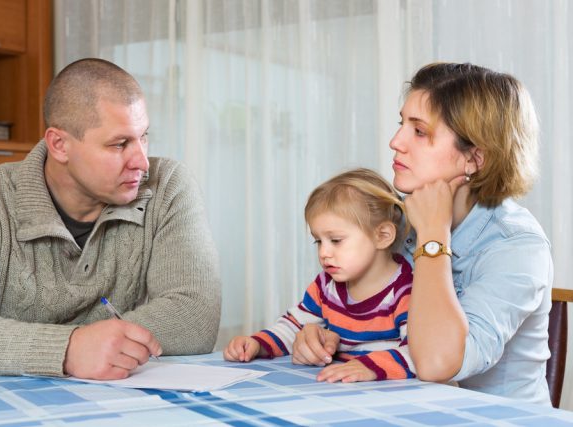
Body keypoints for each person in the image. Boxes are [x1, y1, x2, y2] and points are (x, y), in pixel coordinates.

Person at [0, 58, 222, 380]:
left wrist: (96, 348)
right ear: (59, 144)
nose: (142, 162)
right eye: (119, 144)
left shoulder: (168, 186)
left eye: (144, 137)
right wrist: (69, 350)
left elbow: (194, 316)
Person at [295, 63, 553, 404]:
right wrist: (319, 334)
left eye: (419, 131)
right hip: (402, 408)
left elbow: (437, 363)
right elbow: (352, 307)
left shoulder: (517, 246)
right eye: (402, 123)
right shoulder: (392, 218)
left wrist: (433, 236)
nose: (395, 141)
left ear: (474, 158)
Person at [224, 168, 415, 383]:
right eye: (318, 241)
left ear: (382, 236)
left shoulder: (406, 291)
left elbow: (419, 353)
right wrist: (257, 344)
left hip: (389, 395)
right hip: (342, 388)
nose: (324, 253)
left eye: (335, 240)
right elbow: (293, 326)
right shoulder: (326, 285)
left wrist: (369, 367)